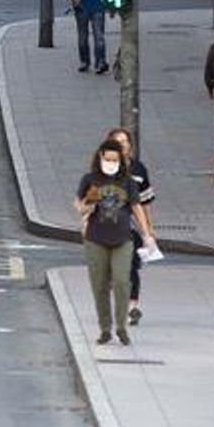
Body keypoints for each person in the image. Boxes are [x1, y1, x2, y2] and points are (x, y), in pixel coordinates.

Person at [76, 138, 157, 346]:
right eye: (108, 159)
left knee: (122, 282)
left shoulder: (127, 181)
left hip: (123, 238)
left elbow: (137, 207)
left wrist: (147, 234)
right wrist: (89, 202)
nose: (111, 163)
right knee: (100, 286)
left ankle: (121, 327)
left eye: (115, 160)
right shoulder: (90, 179)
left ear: (120, 161)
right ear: (100, 158)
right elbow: (80, 206)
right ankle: (105, 328)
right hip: (96, 239)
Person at [107, 127, 156, 325]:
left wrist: (149, 229)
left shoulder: (139, 169)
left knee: (131, 266)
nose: (122, 145)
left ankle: (131, 307)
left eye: (125, 141)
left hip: (132, 226)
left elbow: (145, 201)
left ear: (130, 145)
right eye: (117, 142)